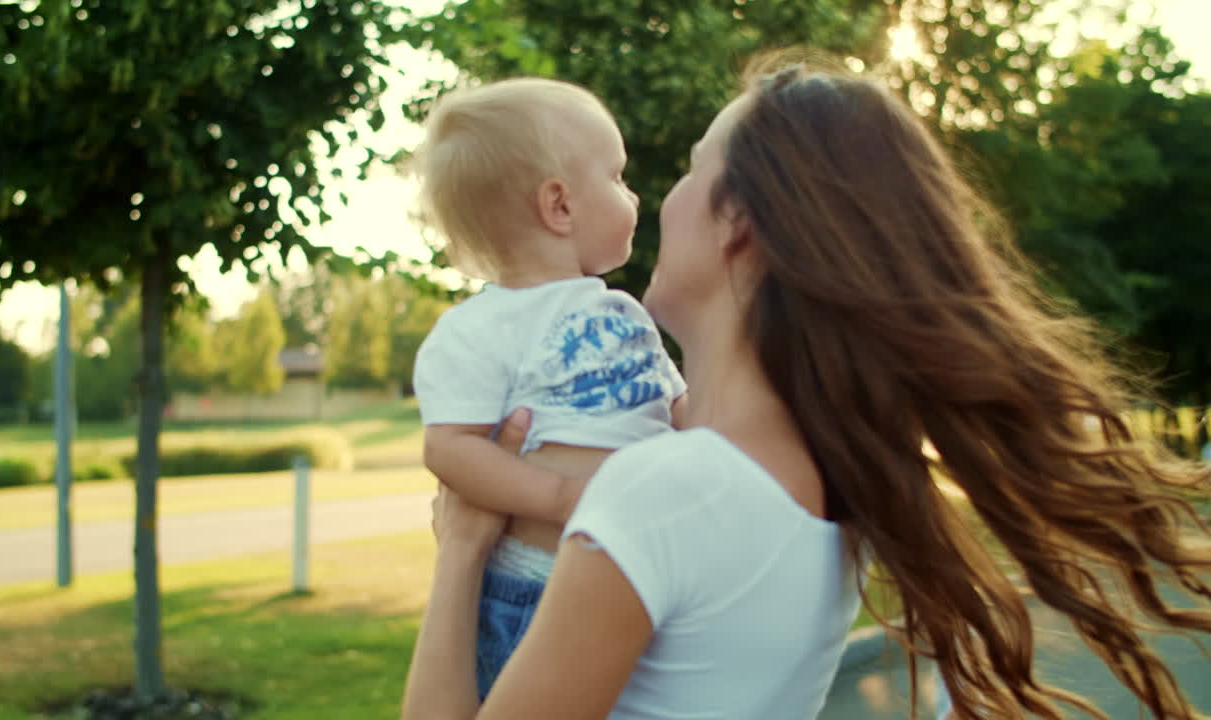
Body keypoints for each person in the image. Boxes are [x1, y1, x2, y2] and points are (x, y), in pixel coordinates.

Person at [402, 53, 1211, 720]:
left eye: (688, 172)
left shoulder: (662, 494)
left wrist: (464, 552)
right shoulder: (832, 486)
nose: (657, 198)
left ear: (737, 222)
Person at [409, 77, 688, 697]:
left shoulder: (624, 313)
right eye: (617, 177)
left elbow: (675, 408)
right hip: (532, 584)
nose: (635, 196)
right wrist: (559, 497)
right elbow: (450, 448)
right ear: (559, 205)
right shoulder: (476, 329)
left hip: (631, 574)